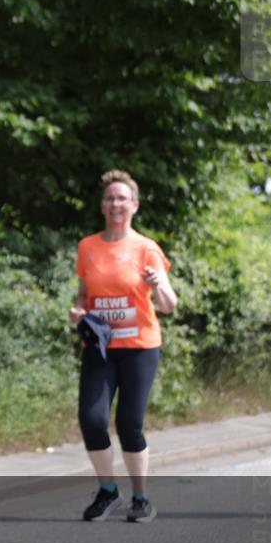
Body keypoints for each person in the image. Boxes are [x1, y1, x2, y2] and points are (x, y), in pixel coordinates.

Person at [69, 170, 178, 523]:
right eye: (110, 198)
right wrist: (78, 310)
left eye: (122, 198)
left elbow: (169, 305)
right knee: (92, 420)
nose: (116, 203)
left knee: (129, 423)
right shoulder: (88, 247)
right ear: (102, 206)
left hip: (139, 347)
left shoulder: (146, 248)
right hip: (100, 346)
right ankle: (108, 491)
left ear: (134, 205)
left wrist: (158, 285)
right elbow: (84, 294)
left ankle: (141, 498)